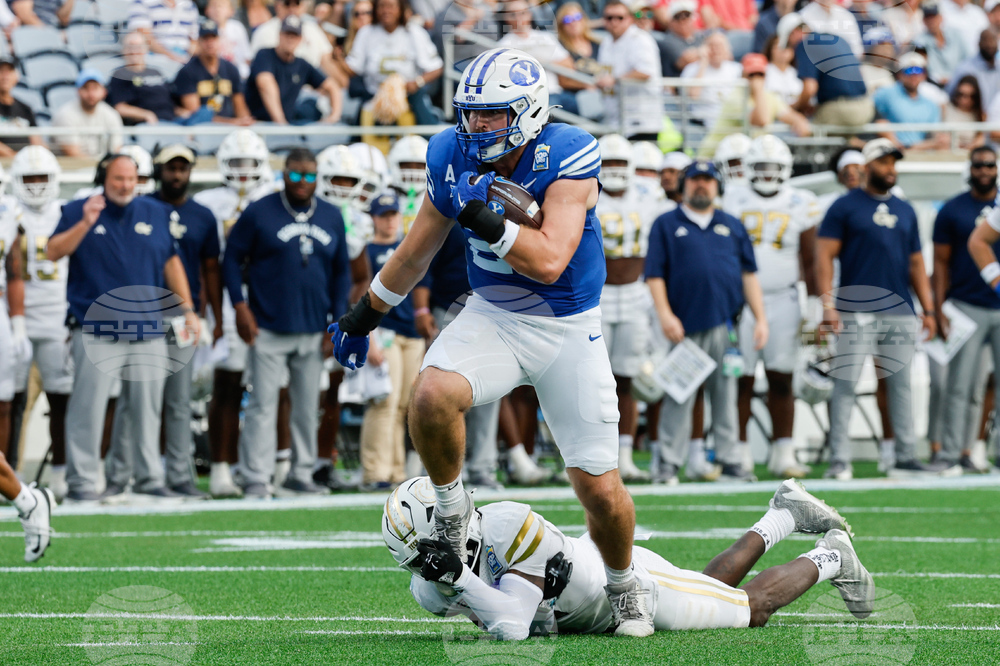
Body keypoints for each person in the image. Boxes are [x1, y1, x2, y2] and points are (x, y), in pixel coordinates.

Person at [330, 49, 655, 636]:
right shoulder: (448, 155)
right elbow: (414, 253)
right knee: (430, 394)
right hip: (495, 314)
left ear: (528, 114)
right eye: (470, 115)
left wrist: (482, 213)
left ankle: (625, 583)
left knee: (597, 487)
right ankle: (453, 512)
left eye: (491, 116)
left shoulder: (568, 149)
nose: (476, 128)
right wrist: (363, 315)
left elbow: (552, 260)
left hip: (564, 325)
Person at [384, 477, 874, 640]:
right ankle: (783, 515)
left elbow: (512, 624)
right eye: (418, 559)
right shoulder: (427, 589)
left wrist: (462, 581)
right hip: (594, 608)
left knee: (749, 609)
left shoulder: (506, 522)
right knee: (705, 589)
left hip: (629, 588)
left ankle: (830, 555)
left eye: (427, 552)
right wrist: (453, 580)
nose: (427, 565)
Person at [47, 154, 200, 502]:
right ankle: (83, 481)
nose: (125, 186)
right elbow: (52, 252)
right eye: (118, 179)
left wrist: (187, 308)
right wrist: (85, 223)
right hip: (94, 326)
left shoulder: (156, 211)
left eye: (131, 179)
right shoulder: (77, 209)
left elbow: (170, 260)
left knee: (145, 410)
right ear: (104, 178)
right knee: (88, 407)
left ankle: (143, 477)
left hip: (147, 325)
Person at [222, 148, 352, 499]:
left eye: (310, 176)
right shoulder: (259, 210)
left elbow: (342, 271)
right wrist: (239, 305)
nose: (302, 182)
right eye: (295, 175)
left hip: (314, 328)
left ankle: (301, 473)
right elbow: (232, 258)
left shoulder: (331, 214)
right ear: (283, 174)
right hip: (267, 325)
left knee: (309, 406)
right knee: (263, 405)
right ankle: (256, 477)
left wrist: (338, 322)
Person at [816, 139, 947, 481]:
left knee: (899, 385)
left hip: (900, 309)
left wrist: (928, 310)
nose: (890, 168)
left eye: (894, 162)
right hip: (855, 307)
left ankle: (904, 455)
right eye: (884, 162)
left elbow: (917, 263)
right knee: (845, 384)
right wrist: (827, 304)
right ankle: (839, 460)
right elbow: (823, 256)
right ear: (869, 164)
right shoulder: (844, 207)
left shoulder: (905, 209)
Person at [645, 159, 768, 484]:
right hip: (684, 325)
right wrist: (666, 315)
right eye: (696, 180)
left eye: (708, 181)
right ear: (684, 186)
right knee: (678, 395)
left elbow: (748, 275)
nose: (702, 186)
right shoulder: (666, 224)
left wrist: (761, 319)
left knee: (726, 394)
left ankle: (730, 459)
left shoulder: (732, 224)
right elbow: (655, 275)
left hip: (726, 325)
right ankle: (669, 463)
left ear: (718, 186)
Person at [722, 135, 819, 479]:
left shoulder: (800, 201)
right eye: (760, 167)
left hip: (784, 297)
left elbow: (810, 258)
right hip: (742, 301)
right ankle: (740, 452)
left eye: (772, 167)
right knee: (741, 378)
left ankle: (784, 452)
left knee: (782, 376)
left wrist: (816, 303)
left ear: (786, 169)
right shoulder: (733, 198)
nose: (766, 174)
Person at [193, 129, 280, 498]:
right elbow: (206, 262)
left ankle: (270, 466)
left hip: (267, 301)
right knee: (226, 387)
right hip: (229, 303)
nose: (243, 171)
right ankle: (221, 467)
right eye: (236, 163)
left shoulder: (274, 198)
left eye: (250, 163)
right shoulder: (208, 202)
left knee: (271, 390)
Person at [595, 134, 673, 481]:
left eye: (618, 163)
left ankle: (624, 454)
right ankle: (597, 456)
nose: (613, 170)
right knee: (594, 379)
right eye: (607, 163)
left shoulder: (649, 196)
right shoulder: (586, 194)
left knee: (626, 378)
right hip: (596, 294)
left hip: (636, 293)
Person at [149, 144, 222, 496]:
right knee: (142, 403)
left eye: (183, 168)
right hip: (145, 315)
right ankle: (143, 473)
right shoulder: (143, 208)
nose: (177, 174)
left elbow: (209, 270)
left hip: (182, 318)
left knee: (179, 402)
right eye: (170, 168)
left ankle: (179, 476)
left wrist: (209, 316)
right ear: (158, 169)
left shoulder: (203, 216)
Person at [7, 146, 72, 501]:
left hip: (56, 316)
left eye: (41, 178)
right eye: (28, 178)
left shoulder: (67, 211)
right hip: (14, 319)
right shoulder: (6, 211)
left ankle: (62, 472)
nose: (34, 186)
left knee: (62, 397)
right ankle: (11, 474)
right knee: (11, 399)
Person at [0, 178, 55, 561]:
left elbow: (14, 269)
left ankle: (27, 499)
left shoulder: (7, 212)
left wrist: (17, 322)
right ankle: (27, 499)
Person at [313, 144, 373, 490]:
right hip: (304, 314)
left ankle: (323, 460)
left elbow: (361, 275)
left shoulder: (358, 221)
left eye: (348, 180)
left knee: (332, 393)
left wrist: (346, 314)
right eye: (335, 178)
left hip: (337, 316)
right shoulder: (308, 213)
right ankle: (288, 458)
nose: (341, 186)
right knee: (296, 394)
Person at [939, 145, 1000, 473]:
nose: (984, 171)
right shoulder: (953, 209)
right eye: (979, 165)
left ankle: (984, 451)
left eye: (990, 165)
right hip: (968, 304)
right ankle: (951, 453)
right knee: (961, 385)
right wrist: (996, 280)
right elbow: (967, 247)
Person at [358, 191, 423, 489]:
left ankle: (396, 471)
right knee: (384, 401)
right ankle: (375, 471)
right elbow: (360, 294)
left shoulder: (407, 246)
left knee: (404, 406)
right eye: (383, 215)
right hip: (383, 331)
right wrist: (368, 335)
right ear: (372, 219)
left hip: (411, 332)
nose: (389, 220)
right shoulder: (366, 251)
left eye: (393, 214)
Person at [342, 0, 443, 127]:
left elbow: (436, 67)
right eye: (381, 6)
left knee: (428, 134)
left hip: (409, 99)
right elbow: (354, 68)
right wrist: (336, 59)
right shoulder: (366, 32)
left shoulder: (414, 32)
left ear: (400, 9)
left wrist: (418, 82)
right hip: (374, 99)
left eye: (391, 6)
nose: (386, 11)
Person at [701, 52, 810, 157]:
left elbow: (790, 116)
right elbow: (761, 121)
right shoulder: (736, 97)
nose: (756, 79)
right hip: (714, 156)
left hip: (740, 157)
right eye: (752, 75)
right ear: (743, 76)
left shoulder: (768, 96)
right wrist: (758, 90)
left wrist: (799, 121)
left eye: (760, 74)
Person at [782, 12, 873, 128]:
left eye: (790, 44)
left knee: (804, 133)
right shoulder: (838, 38)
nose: (792, 50)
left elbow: (810, 88)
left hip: (841, 110)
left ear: (793, 33)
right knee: (843, 139)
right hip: (865, 107)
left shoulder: (804, 44)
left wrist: (797, 107)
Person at [245, 16, 342, 124]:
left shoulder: (302, 64)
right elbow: (266, 85)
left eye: (294, 35)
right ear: (280, 35)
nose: (290, 39)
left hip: (285, 125)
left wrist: (333, 117)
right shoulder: (265, 55)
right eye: (287, 34)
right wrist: (281, 123)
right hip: (258, 123)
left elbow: (332, 86)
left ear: (300, 39)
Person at [497, 0, 588, 114]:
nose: (518, 17)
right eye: (512, 13)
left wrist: (540, 63)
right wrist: (545, 63)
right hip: (530, 97)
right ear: (505, 17)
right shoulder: (502, 46)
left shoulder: (546, 37)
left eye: (522, 12)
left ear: (530, 14)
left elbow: (568, 65)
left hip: (557, 91)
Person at [596, 0, 662, 141]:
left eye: (620, 17)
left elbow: (645, 71)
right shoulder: (606, 42)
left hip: (642, 119)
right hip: (615, 118)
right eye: (609, 18)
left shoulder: (640, 39)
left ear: (630, 18)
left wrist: (615, 80)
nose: (614, 22)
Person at [174, 19, 254, 126]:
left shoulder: (231, 69)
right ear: (199, 42)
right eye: (206, 39)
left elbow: (240, 106)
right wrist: (232, 123)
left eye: (213, 38)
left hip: (230, 128)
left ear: (219, 40)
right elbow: (196, 116)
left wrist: (246, 122)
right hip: (202, 131)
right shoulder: (187, 72)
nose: (210, 43)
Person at [873, 52, 944, 150]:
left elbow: (936, 136)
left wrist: (915, 148)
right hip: (890, 151)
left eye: (918, 70)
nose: (914, 74)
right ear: (899, 74)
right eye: (909, 70)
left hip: (920, 153)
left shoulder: (930, 104)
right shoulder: (885, 93)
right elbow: (875, 119)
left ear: (924, 75)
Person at [107, 32, 179, 126]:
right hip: (148, 124)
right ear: (123, 50)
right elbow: (120, 107)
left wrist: (184, 113)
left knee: (202, 115)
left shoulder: (156, 72)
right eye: (130, 47)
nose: (134, 51)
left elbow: (170, 101)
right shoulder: (120, 75)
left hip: (173, 120)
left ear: (145, 49)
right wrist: (146, 115)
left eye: (138, 47)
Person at [250, 0, 337, 77]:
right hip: (282, 86)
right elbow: (259, 69)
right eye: (287, 3)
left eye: (297, 3)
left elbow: (327, 61)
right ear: (277, 6)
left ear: (303, 7)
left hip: (314, 87)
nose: (292, 8)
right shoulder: (264, 31)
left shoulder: (312, 28)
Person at [51, 70, 124, 159]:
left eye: (95, 88)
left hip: (102, 168)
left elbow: (116, 149)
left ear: (104, 92)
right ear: (78, 91)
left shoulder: (111, 114)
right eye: (86, 88)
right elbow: (72, 153)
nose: (91, 94)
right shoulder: (65, 114)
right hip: (70, 170)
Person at [680, 31, 742, 129]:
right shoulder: (692, 69)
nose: (716, 50)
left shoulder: (737, 69)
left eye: (720, 46)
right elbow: (693, 96)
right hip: (701, 124)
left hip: (731, 123)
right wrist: (703, 63)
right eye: (712, 45)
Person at [916, 0, 971, 88]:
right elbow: (922, 68)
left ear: (941, 18)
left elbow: (968, 59)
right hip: (933, 85)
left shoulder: (956, 34)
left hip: (959, 82)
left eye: (934, 17)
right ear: (924, 21)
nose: (932, 21)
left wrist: (956, 77)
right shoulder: (919, 41)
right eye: (928, 18)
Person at [947, 27, 1000, 113]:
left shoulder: (998, 67)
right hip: (972, 119)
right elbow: (952, 95)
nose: (990, 44)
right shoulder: (965, 68)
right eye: (986, 40)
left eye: (993, 40)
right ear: (979, 43)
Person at [128, 0, 199, 63]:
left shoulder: (189, 5)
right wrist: (173, 57)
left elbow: (194, 39)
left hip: (184, 59)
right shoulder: (141, 2)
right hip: (155, 58)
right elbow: (145, 37)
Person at [0, 55, 42, 155]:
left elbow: (37, 141)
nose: (5, 76)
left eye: (9, 71)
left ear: (16, 76)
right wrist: (13, 156)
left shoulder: (25, 109)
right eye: (1, 71)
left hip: (26, 164)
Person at [205, 0, 253, 79]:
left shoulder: (237, 28)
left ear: (231, 11)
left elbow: (247, 58)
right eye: (214, 5)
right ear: (206, 10)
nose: (218, 9)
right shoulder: (203, 30)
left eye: (222, 5)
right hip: (212, 75)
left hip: (238, 73)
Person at [556, 2, 602, 78]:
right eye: (567, 20)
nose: (573, 23)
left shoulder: (597, 44)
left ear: (584, 19)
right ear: (561, 25)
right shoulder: (559, 47)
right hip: (575, 88)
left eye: (577, 17)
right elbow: (565, 79)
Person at [658, 0, 701, 79]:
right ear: (671, 21)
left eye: (687, 15)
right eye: (677, 16)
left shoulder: (700, 37)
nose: (682, 19)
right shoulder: (667, 41)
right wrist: (704, 53)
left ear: (692, 19)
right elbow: (684, 61)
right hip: (679, 87)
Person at [946, 75, 986, 150]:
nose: (964, 100)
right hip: (947, 151)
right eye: (961, 94)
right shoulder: (945, 108)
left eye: (970, 96)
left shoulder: (981, 115)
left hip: (969, 154)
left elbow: (980, 141)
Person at [764, 34, 803, 107]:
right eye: (779, 46)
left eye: (787, 46)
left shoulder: (799, 73)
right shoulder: (762, 71)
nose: (783, 50)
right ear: (771, 49)